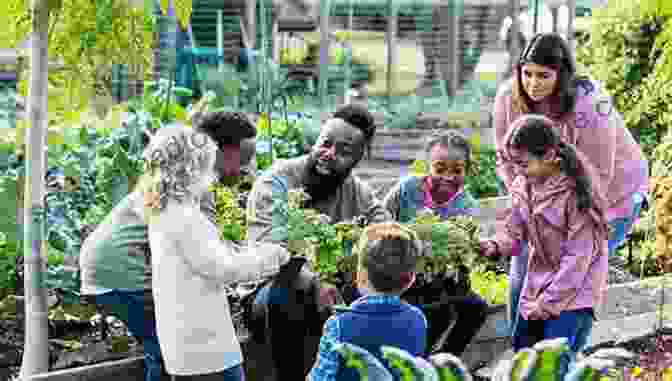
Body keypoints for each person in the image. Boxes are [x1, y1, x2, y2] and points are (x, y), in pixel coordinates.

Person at [78, 111, 257, 381]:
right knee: (169, 345)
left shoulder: (171, 179)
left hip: (104, 269)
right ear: (215, 150)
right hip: (125, 270)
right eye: (243, 160)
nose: (248, 170)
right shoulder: (196, 189)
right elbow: (208, 255)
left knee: (164, 344)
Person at [492, 32, 649, 337]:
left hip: (610, 196)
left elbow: (598, 176)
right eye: (527, 73)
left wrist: (568, 220)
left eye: (543, 76)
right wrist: (524, 208)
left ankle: (560, 355)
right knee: (523, 267)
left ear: (561, 75)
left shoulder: (590, 103)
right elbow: (507, 160)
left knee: (575, 274)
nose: (533, 83)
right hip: (544, 198)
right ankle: (523, 356)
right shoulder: (508, 99)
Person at [245, 103, 391, 380]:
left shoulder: (355, 190)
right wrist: (315, 279)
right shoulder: (276, 181)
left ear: (357, 160)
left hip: (331, 291)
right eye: (325, 143)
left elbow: (382, 222)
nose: (329, 154)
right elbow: (268, 248)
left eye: (344, 152)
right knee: (287, 292)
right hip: (267, 293)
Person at [141, 124, 289, 381]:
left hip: (185, 340)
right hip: (204, 346)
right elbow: (224, 268)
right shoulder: (186, 217)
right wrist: (271, 256)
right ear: (192, 170)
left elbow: (206, 258)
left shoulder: (164, 210)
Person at [480, 114, 609, 376]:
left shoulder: (575, 195)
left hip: (575, 291)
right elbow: (513, 230)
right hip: (539, 281)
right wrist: (495, 246)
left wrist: (548, 303)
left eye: (523, 163)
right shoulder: (524, 185)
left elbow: (578, 259)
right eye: (513, 163)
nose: (517, 170)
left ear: (550, 155)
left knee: (553, 362)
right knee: (523, 353)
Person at [381, 131, 488, 357]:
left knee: (475, 308)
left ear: (467, 170)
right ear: (428, 166)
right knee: (438, 313)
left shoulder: (466, 206)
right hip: (401, 272)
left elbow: (465, 249)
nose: (448, 177)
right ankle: (412, 362)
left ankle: (443, 360)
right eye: (440, 169)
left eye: (457, 170)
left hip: (440, 276)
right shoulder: (408, 188)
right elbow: (380, 217)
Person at [307, 222, 427, 381]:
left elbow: (320, 378)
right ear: (410, 279)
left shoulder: (337, 325)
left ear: (361, 275)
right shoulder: (418, 319)